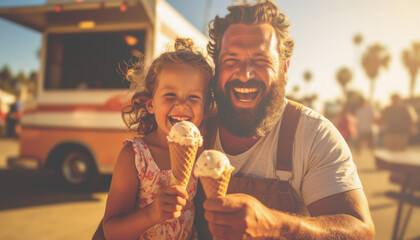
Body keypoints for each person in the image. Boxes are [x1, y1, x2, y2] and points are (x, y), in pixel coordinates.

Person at [195, 1, 375, 239]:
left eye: (261, 61)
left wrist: (276, 225)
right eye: (231, 61)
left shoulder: (312, 135)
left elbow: (360, 231)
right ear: (216, 69)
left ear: (285, 68)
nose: (245, 74)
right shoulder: (194, 129)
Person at [101, 38, 213, 240]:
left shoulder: (202, 155)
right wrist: (151, 214)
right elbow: (111, 231)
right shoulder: (135, 157)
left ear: (205, 109)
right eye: (170, 95)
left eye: (194, 97)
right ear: (150, 104)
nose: (181, 104)